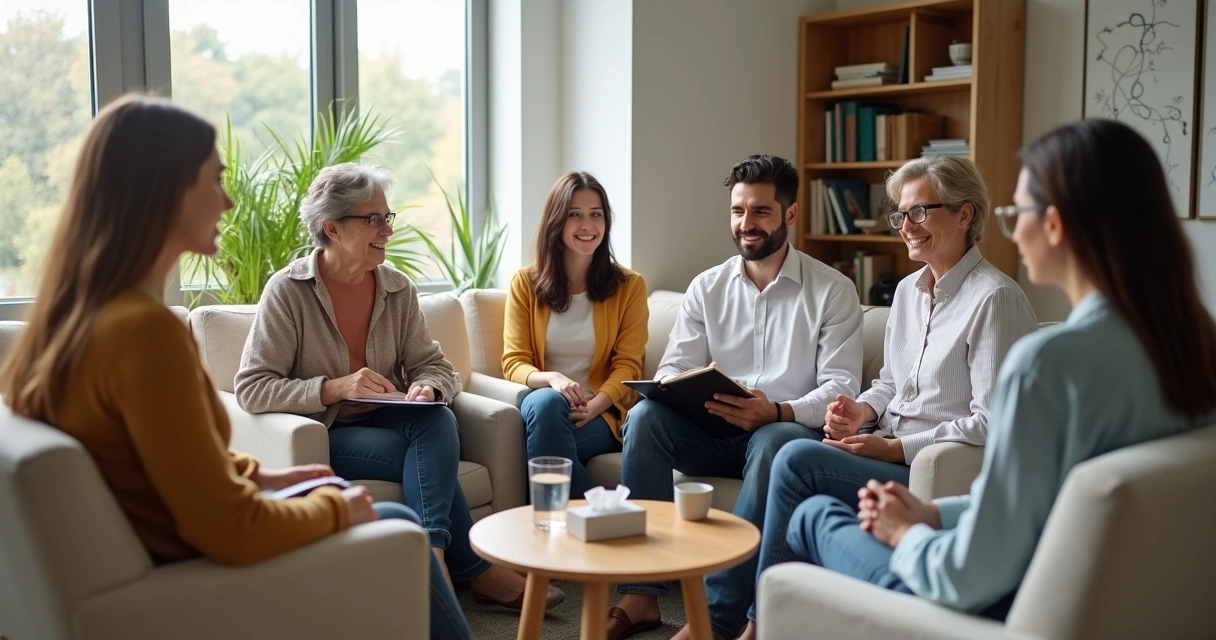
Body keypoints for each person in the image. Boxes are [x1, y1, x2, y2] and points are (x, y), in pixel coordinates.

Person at [0, 95, 475, 639]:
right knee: (396, 524)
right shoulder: (146, 332)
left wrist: (266, 475)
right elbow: (232, 528)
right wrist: (336, 508)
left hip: (173, 549)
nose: (227, 202)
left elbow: (172, 461)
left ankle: (454, 561)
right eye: (214, 180)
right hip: (199, 571)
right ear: (163, 192)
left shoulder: (74, 319)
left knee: (432, 433)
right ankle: (453, 561)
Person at [737, 118, 1216, 640]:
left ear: (1054, 223)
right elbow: (1048, 500)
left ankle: (745, 627)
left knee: (811, 517)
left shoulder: (1047, 361)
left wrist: (909, 533)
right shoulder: (1194, 340)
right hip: (1110, 602)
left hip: (995, 606)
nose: (1013, 228)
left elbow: (966, 575)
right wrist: (934, 512)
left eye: (1018, 212)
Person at [713, 156, 1039, 638]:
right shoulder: (907, 292)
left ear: (965, 214)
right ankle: (774, 622)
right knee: (803, 506)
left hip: (926, 464)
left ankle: (737, 625)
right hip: (886, 445)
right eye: (901, 215)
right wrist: (859, 410)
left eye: (920, 212)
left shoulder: (995, 298)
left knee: (795, 458)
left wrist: (893, 447)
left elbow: (992, 422)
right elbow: (890, 382)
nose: (907, 226)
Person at [234, 162, 563, 612]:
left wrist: (428, 388)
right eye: (373, 219)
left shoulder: (396, 288)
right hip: (327, 431)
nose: (386, 230)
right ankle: (469, 573)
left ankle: (432, 559)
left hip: (392, 417)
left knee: (438, 420)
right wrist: (334, 388)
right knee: (431, 460)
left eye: (387, 218)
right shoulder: (288, 291)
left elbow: (435, 366)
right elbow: (253, 387)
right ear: (331, 228)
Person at [610, 155, 864, 640]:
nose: (746, 224)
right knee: (644, 419)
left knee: (776, 439)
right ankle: (641, 593)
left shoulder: (833, 290)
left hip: (781, 432)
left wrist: (775, 409)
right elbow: (671, 368)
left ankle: (717, 619)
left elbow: (841, 388)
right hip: (711, 429)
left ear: (790, 214)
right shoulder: (707, 287)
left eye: (761, 212)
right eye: (737, 211)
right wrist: (685, 385)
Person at [503, 172, 648, 495]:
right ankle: (600, 516)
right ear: (557, 222)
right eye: (575, 215)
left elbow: (629, 366)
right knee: (546, 404)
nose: (588, 225)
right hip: (545, 406)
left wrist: (595, 404)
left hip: (599, 413)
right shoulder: (524, 284)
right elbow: (514, 362)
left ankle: (560, 528)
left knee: (543, 442)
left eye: (596, 214)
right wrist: (553, 379)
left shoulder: (630, 286)